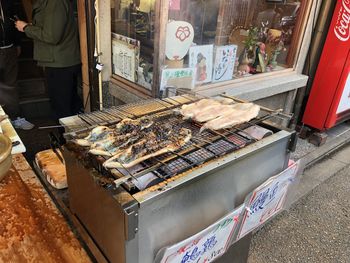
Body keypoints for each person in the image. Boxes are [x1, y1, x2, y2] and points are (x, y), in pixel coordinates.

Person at [15, 0, 82, 122]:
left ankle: (67, 140)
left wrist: (26, 28)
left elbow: (52, 36)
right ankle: (72, 138)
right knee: (67, 106)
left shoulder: (55, 3)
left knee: (62, 109)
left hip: (60, 63)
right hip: (58, 61)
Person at [0, 0, 34, 129]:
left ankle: (15, 117)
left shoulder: (7, 2)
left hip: (9, 48)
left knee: (11, 84)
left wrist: (18, 43)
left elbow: (15, 21)